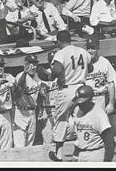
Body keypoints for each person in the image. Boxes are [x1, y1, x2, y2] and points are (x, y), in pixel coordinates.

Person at [37, 30, 92, 161]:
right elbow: (91, 68)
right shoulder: (83, 51)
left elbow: (57, 70)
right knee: (82, 120)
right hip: (82, 88)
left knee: (61, 121)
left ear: (59, 41)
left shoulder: (61, 52)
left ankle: (58, 154)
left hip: (67, 89)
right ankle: (86, 149)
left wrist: (50, 75)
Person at [71, 85, 116, 162]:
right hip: (81, 154)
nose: (80, 105)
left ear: (90, 100)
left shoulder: (99, 115)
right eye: (78, 103)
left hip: (96, 154)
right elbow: (80, 137)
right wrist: (75, 154)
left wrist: (106, 162)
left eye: (82, 103)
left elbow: (110, 142)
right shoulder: (77, 111)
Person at [13, 55, 47, 147]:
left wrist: (40, 110)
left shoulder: (38, 77)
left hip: (32, 112)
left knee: (30, 144)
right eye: (30, 64)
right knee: (19, 145)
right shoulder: (20, 75)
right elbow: (20, 85)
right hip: (21, 113)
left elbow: (39, 95)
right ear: (25, 65)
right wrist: (24, 73)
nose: (33, 67)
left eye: (35, 64)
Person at [85, 38, 116, 113]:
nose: (90, 51)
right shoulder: (83, 63)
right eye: (88, 48)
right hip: (87, 99)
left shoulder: (104, 62)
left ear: (98, 48)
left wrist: (111, 103)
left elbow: (111, 84)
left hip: (101, 97)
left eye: (93, 48)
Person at [36, 51, 58, 144]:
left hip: (59, 110)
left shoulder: (63, 73)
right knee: (48, 141)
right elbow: (40, 91)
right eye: (50, 61)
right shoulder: (43, 73)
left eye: (54, 61)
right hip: (47, 110)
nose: (52, 63)